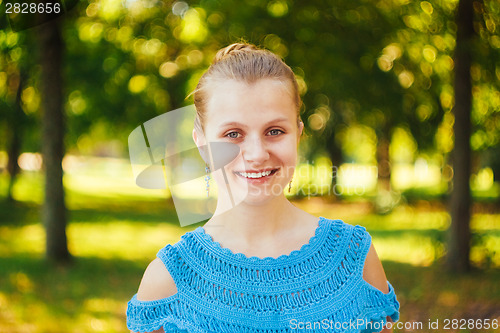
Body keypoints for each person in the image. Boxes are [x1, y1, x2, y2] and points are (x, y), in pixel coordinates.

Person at [126, 42, 400, 333]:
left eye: (274, 131)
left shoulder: (352, 257)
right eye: (233, 134)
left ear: (298, 134)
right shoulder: (168, 281)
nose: (256, 154)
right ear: (202, 144)